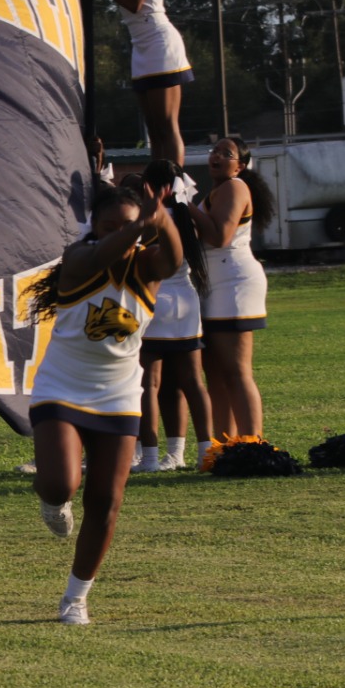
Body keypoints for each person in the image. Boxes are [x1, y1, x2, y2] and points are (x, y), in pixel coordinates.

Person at [28, 185, 182, 625]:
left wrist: (163, 220)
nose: (124, 235)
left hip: (119, 396)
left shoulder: (146, 269)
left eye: (132, 225)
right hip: (62, 387)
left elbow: (173, 257)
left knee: (107, 502)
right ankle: (52, 501)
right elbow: (99, 258)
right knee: (60, 483)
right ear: (94, 227)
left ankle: (76, 597)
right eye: (110, 226)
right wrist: (137, 226)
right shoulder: (77, 260)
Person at [85, 0, 194, 167]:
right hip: (140, 45)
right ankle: (158, 184)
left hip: (159, 41)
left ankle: (175, 188)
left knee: (167, 126)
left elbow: (134, 1)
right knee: (153, 129)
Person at [131, 162, 213, 471]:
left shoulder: (154, 218)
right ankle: (206, 453)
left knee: (148, 384)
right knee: (194, 382)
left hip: (156, 299)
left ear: (150, 187)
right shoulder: (183, 214)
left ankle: (150, 457)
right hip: (187, 298)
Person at [191, 136, 274, 438]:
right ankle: (225, 444)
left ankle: (252, 443)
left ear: (240, 166)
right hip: (215, 284)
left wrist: (185, 205)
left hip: (234, 283)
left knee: (237, 372)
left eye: (226, 153)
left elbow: (220, 236)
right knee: (215, 373)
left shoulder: (234, 187)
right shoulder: (218, 189)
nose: (216, 156)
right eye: (214, 150)